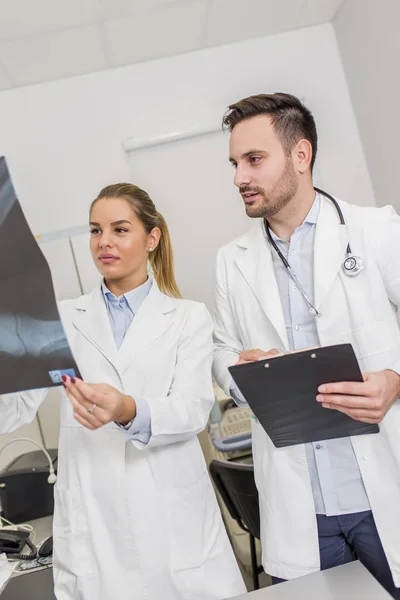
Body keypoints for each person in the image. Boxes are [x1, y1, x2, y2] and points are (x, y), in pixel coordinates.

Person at [0, 183, 246, 600]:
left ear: (152, 238)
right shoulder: (62, 318)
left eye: (119, 229)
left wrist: (127, 408)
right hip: (95, 528)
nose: (104, 243)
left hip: (171, 524)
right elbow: (14, 410)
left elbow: (191, 409)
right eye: (96, 231)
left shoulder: (188, 318)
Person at [212, 93, 400, 598]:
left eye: (253, 160)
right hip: (302, 503)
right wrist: (239, 368)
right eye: (234, 163)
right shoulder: (233, 261)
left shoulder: (374, 230)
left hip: (383, 483)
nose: (239, 178)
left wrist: (396, 380)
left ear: (301, 155)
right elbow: (222, 351)